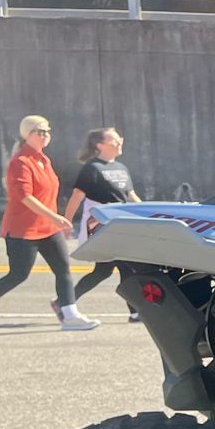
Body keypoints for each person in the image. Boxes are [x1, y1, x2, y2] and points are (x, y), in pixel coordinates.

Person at [0, 115, 99, 332]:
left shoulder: (43, 160)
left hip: (48, 228)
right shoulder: (21, 162)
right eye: (40, 131)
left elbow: (47, 195)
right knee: (18, 275)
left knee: (63, 269)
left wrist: (56, 222)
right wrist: (56, 217)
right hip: (22, 229)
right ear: (28, 135)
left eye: (48, 130)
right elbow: (26, 197)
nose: (46, 135)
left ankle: (70, 315)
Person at [61, 126, 141, 319]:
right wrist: (67, 222)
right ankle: (136, 311)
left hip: (121, 224)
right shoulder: (92, 168)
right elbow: (77, 196)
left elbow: (130, 196)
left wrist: (151, 215)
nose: (119, 142)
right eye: (114, 139)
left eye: (119, 138)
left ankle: (63, 303)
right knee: (125, 266)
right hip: (102, 224)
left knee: (106, 270)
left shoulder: (121, 168)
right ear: (100, 145)